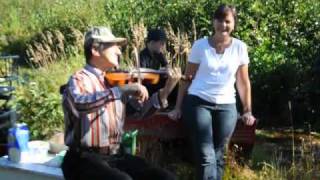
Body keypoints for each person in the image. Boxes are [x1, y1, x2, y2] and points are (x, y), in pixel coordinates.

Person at [61, 26, 180, 180]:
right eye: (114, 47)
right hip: (83, 159)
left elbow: (141, 113)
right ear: (96, 50)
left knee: (165, 178)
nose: (119, 51)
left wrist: (166, 90)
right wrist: (121, 91)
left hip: (116, 155)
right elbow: (79, 104)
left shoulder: (116, 81)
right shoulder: (79, 79)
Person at [168, 4, 256, 180]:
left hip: (227, 105)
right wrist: (177, 107)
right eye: (219, 20)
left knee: (219, 155)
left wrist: (247, 111)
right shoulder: (200, 46)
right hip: (198, 102)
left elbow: (243, 82)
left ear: (234, 24)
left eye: (227, 21)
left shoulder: (240, 47)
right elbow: (187, 78)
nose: (223, 25)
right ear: (213, 22)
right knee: (206, 154)